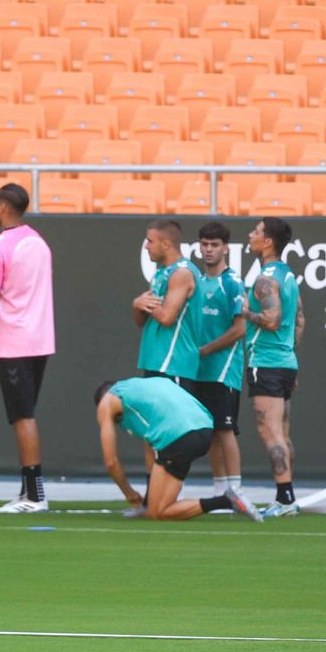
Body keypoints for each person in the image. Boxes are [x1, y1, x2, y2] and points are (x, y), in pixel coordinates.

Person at [0, 183, 55, 513]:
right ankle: (27, 490)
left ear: (4, 207)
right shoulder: (39, 243)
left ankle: (35, 494)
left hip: (15, 343)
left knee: (23, 417)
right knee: (25, 416)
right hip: (40, 341)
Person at [93, 377, 252, 521]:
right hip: (204, 430)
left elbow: (111, 462)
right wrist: (147, 500)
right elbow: (151, 447)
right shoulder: (141, 389)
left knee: (157, 513)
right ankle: (229, 499)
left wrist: (130, 494)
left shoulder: (107, 402)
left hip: (177, 437)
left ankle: (225, 500)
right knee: (159, 506)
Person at [244, 217, 305, 518]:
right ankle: (288, 496)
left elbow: (272, 320)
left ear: (267, 241)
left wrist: (245, 312)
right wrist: (289, 353)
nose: (250, 235)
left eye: (255, 231)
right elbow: (300, 320)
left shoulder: (266, 279)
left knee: (271, 434)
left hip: (266, 363)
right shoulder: (288, 275)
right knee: (281, 432)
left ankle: (285, 499)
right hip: (285, 363)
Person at [192, 221, 252, 504]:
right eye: (204, 244)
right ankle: (219, 491)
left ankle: (236, 489)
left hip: (223, 370)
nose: (208, 250)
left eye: (214, 245)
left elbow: (240, 329)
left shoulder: (232, 282)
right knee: (211, 432)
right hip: (199, 371)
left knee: (225, 429)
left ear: (226, 248)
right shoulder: (198, 281)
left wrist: (206, 350)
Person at [133, 218, 201, 384]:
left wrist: (141, 303)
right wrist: (137, 306)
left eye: (150, 241)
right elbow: (141, 321)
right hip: (155, 361)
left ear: (166, 244)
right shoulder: (160, 274)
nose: (146, 246)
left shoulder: (182, 273)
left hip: (174, 363)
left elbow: (166, 318)